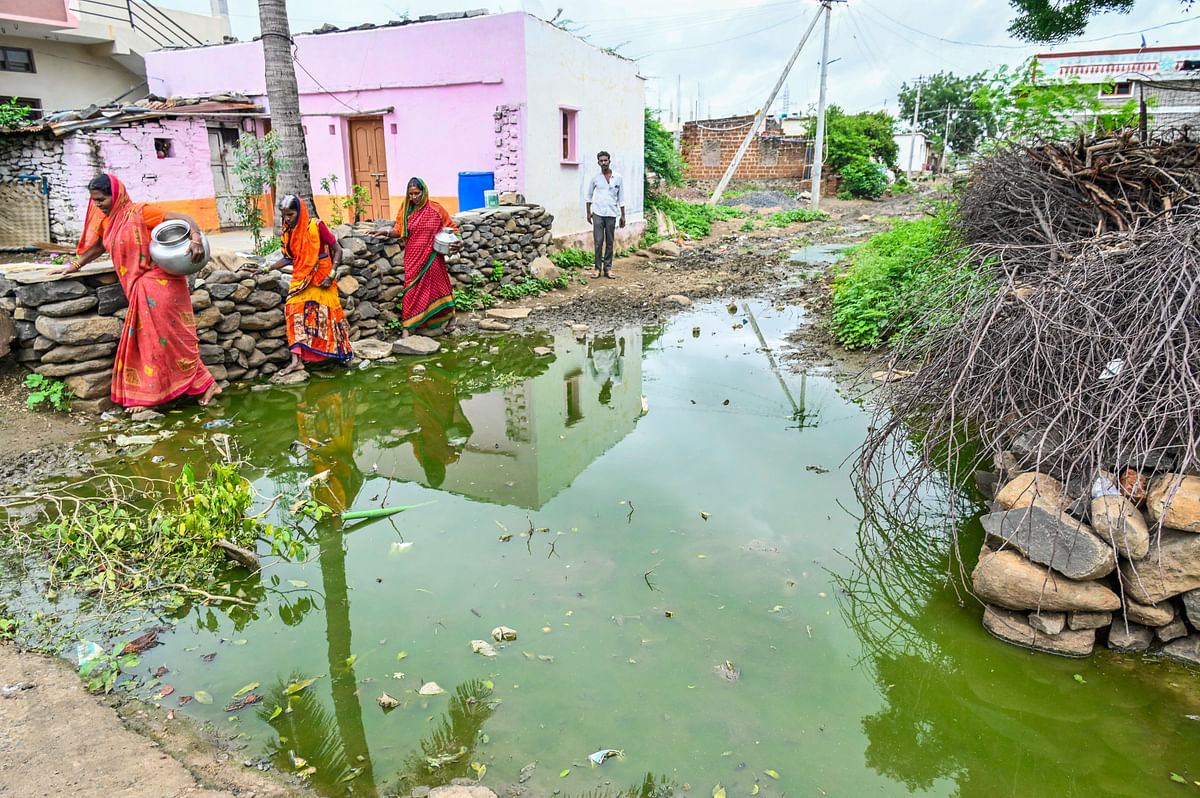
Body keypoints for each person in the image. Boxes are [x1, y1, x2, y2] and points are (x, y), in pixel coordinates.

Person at [53, 174, 219, 409]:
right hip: (137, 288)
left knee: (173, 340)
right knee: (155, 343)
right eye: (94, 201)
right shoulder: (107, 221)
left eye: (101, 199)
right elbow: (100, 244)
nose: (97, 205)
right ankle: (167, 391)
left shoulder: (141, 212)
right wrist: (75, 266)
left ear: (116, 195)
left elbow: (185, 218)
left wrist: (195, 239)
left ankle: (206, 383)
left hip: (161, 285)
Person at [263, 194, 353, 376]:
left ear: (300, 211)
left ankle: (337, 352)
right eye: (284, 215)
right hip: (302, 277)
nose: (287, 219)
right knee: (292, 310)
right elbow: (288, 258)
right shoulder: (288, 232)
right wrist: (266, 269)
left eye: (291, 214)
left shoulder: (316, 226)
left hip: (322, 276)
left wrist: (332, 274)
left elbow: (337, 250)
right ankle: (296, 360)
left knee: (327, 314)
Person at [368, 177, 462, 338]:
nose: (414, 197)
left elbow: (452, 228)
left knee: (440, 287)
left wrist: (458, 242)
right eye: (410, 194)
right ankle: (408, 328)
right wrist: (385, 232)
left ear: (424, 192)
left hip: (432, 256)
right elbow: (399, 230)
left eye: (417, 193)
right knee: (411, 290)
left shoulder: (436, 209)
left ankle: (451, 317)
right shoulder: (406, 209)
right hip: (413, 257)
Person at [585, 150, 625, 279]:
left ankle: (608, 268)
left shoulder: (618, 178)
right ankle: (597, 269)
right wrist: (588, 213)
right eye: (601, 161)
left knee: (609, 241)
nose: (603, 163)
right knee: (598, 242)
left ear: (609, 161)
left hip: (612, 214)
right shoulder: (595, 179)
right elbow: (589, 195)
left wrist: (623, 215)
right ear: (598, 163)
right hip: (597, 213)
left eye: (605, 160)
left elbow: (621, 197)